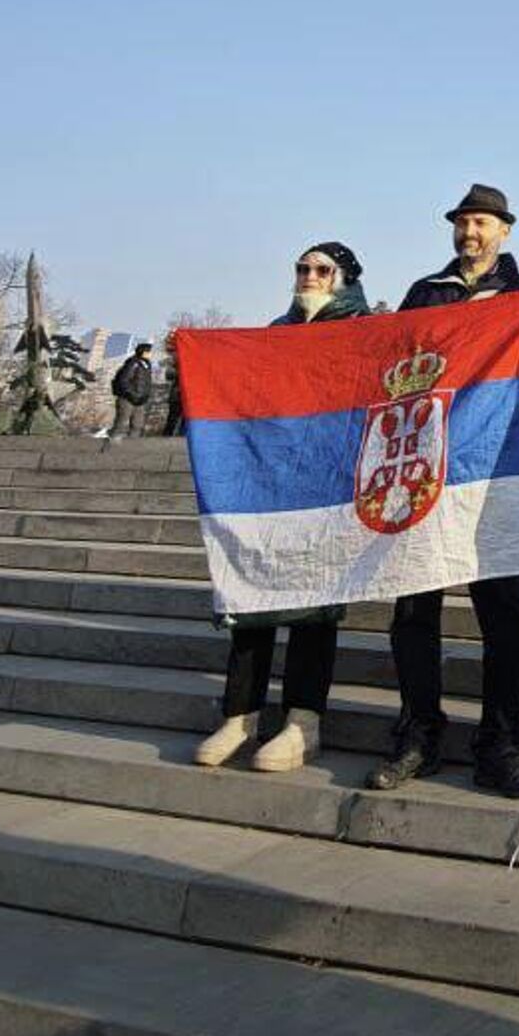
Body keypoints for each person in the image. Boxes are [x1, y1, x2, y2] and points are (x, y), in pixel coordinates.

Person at [365, 184, 519, 803]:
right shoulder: (425, 295)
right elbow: (389, 369)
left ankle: (501, 741)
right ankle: (419, 731)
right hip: (424, 473)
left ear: (505, 231)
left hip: (494, 478)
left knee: (503, 615)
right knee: (413, 612)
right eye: (462, 223)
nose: (469, 233)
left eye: (480, 223)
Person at [194, 241, 369, 773]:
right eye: (302, 268)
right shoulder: (277, 330)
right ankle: (239, 714)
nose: (309, 276)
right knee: (252, 598)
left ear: (344, 277)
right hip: (271, 481)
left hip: (328, 483)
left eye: (321, 269)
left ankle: (302, 720)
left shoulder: (364, 330)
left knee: (315, 607)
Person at [107, 342, 155, 440]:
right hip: (127, 398)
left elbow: (146, 383)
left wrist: (144, 396)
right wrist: (131, 394)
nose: (150, 354)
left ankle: (131, 447)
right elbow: (123, 381)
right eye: (148, 351)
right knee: (121, 423)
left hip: (140, 400)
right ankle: (111, 445)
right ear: (143, 352)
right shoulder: (133, 363)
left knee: (137, 424)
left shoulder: (146, 365)